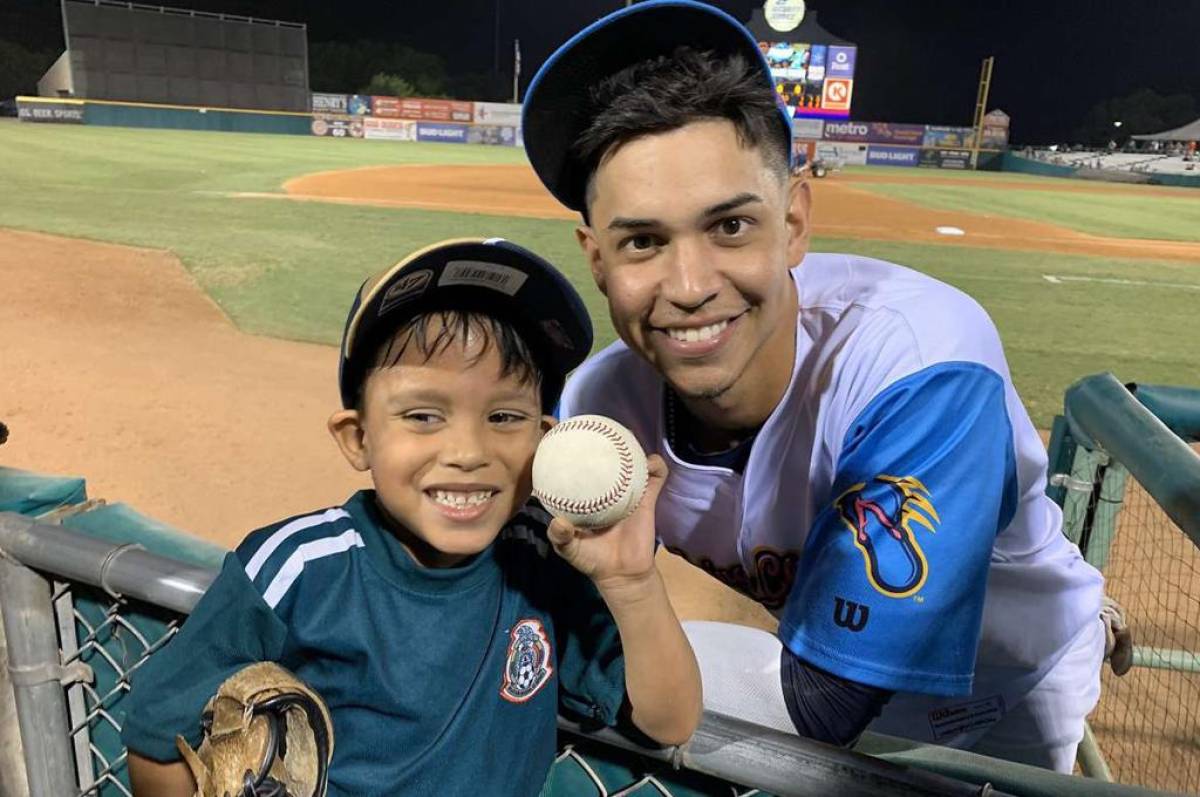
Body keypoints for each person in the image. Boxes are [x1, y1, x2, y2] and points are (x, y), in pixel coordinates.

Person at [521, 0, 1112, 773]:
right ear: (597, 259)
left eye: (730, 226)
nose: (691, 285)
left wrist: (628, 611)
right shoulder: (599, 405)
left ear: (794, 221)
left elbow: (823, 707)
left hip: (998, 691)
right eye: (643, 241)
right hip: (786, 655)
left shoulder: (921, 363)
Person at [121, 238, 702, 795]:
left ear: (544, 442)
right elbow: (156, 730)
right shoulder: (300, 566)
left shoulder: (542, 564)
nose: (469, 452)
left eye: (504, 417)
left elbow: (669, 721)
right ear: (359, 439)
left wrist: (631, 583)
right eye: (423, 416)